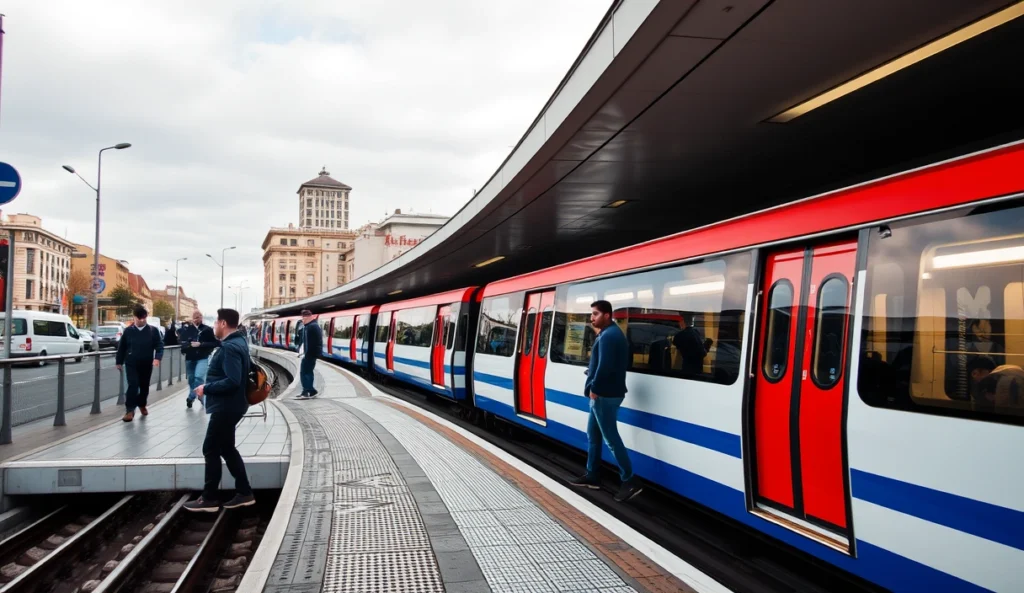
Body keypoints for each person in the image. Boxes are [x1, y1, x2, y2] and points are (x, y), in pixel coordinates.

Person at [569, 300, 643, 502]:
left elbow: (606, 366)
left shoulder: (609, 336)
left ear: (607, 315)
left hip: (605, 395)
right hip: (604, 393)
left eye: (595, 314)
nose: (592, 318)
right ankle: (592, 475)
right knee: (593, 435)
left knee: (610, 438)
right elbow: (603, 364)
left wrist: (595, 388)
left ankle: (629, 481)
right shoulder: (609, 333)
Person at [184, 308, 255, 512]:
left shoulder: (229, 347)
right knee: (226, 448)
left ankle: (209, 498)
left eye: (216, 322)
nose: (214, 325)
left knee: (210, 448)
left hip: (227, 406)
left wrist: (206, 388)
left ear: (223, 323)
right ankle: (244, 492)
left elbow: (233, 380)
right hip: (233, 405)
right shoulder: (240, 342)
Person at [116, 305, 164, 422]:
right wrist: (119, 361)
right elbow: (122, 347)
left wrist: (157, 358)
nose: (141, 321)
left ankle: (142, 404)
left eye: (143, 318)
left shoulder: (153, 331)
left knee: (144, 386)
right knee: (133, 384)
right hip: (131, 362)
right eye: (139, 318)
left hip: (146, 363)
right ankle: (130, 410)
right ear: (134, 318)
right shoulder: (128, 331)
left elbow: (159, 345)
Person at [179, 310, 219, 409]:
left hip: (202, 357)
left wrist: (201, 344)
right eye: (196, 317)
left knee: (199, 377)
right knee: (191, 380)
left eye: (199, 316)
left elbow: (215, 343)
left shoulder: (207, 330)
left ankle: (192, 396)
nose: (198, 319)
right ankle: (198, 395)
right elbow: (182, 344)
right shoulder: (187, 330)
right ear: (192, 318)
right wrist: (188, 345)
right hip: (190, 358)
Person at [297, 309, 322, 398]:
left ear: (307, 317)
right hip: (310, 353)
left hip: (309, 354)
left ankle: (307, 391)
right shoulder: (311, 326)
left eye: (303, 319)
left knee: (305, 372)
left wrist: (306, 354)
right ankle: (311, 391)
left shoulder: (311, 327)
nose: (302, 321)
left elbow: (311, 343)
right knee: (307, 372)